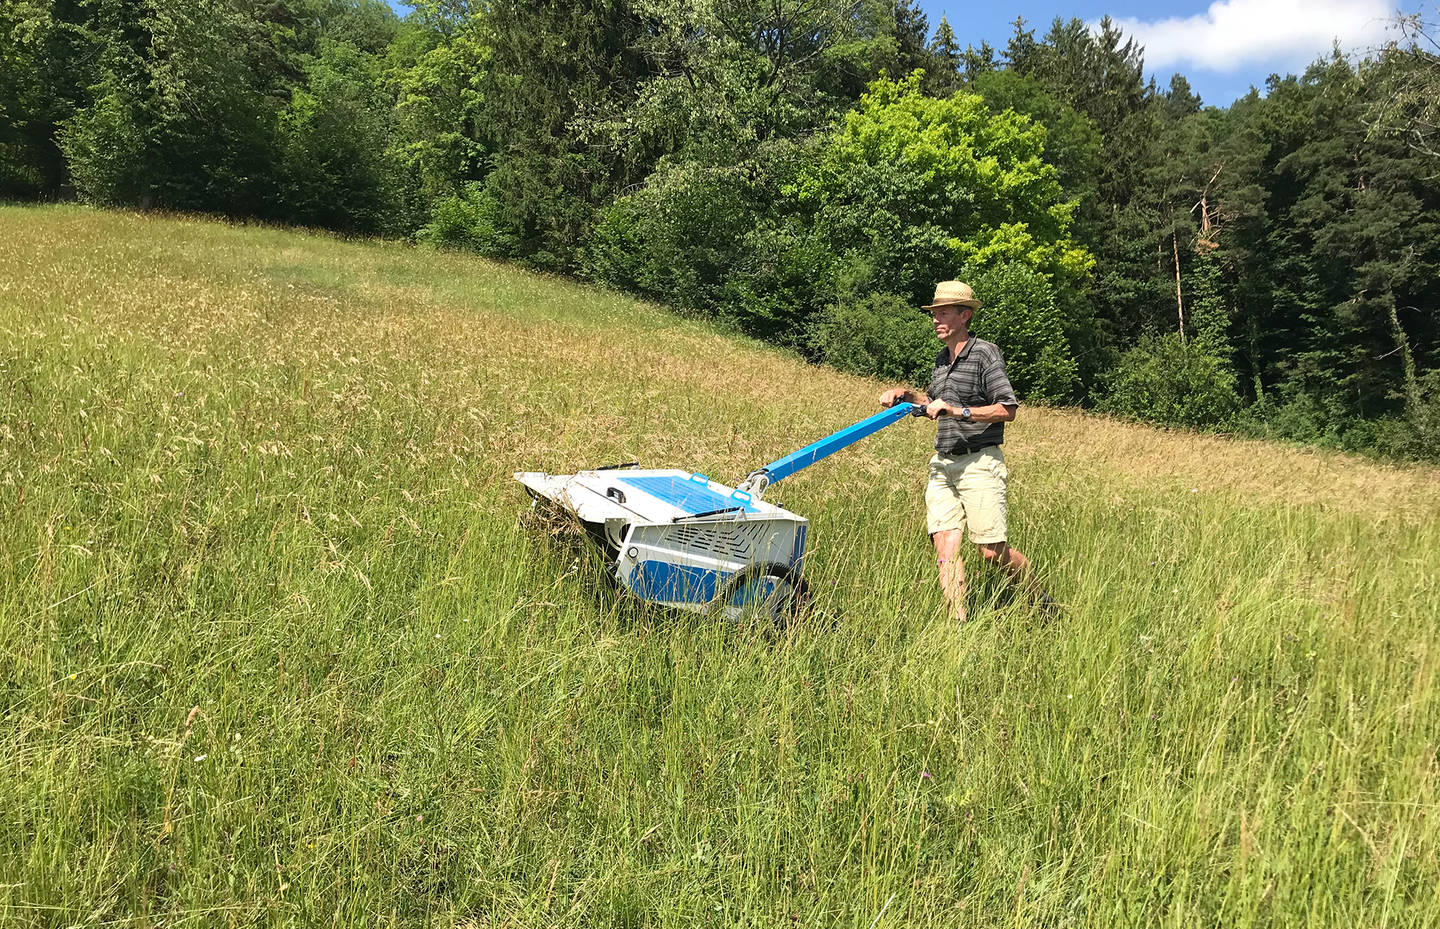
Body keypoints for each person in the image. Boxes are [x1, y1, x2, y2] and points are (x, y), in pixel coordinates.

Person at [878, 280, 1056, 623]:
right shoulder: (942, 360)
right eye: (934, 313)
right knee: (945, 545)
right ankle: (958, 624)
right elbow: (935, 403)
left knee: (990, 551)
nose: (935, 319)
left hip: (979, 461)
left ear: (964, 315)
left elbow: (1007, 408)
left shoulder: (985, 353)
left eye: (943, 313)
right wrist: (906, 396)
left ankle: (1039, 601)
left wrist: (960, 412)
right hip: (942, 463)